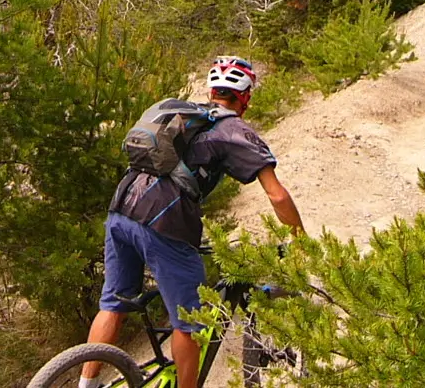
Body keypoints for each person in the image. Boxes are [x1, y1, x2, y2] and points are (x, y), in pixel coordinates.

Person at [80, 57, 304, 388]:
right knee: (189, 323)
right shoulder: (234, 129)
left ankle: (87, 383)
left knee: (114, 303)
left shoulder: (184, 116)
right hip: (164, 219)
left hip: (121, 206)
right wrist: (300, 237)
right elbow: (277, 196)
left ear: (212, 91)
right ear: (245, 97)